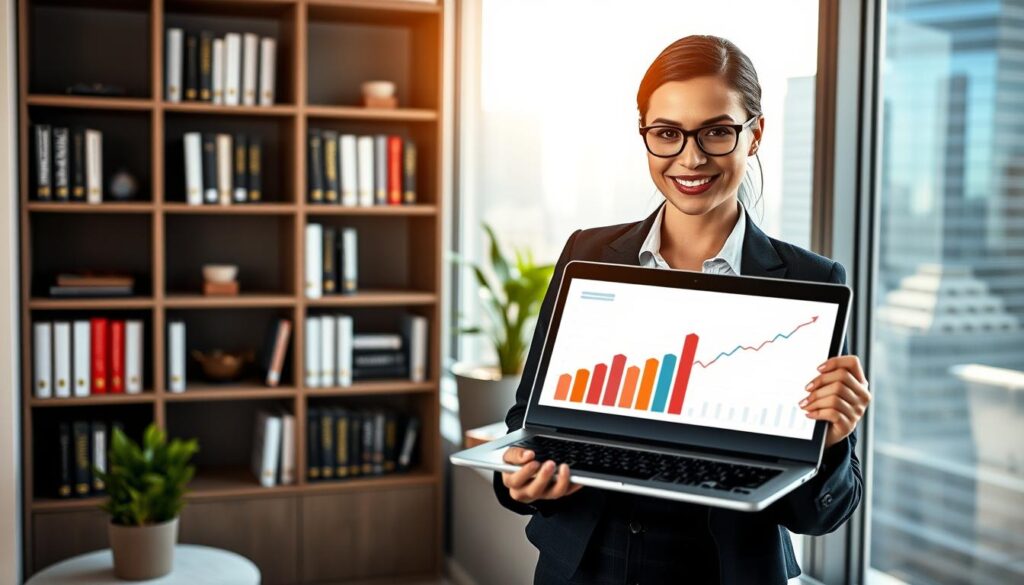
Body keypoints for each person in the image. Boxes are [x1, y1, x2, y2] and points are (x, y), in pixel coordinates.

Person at [492, 35, 871, 585]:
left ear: (755, 134)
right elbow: (530, 426)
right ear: (645, 136)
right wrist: (522, 484)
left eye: (717, 131)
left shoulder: (811, 281)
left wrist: (832, 441)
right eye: (667, 134)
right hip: (584, 568)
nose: (690, 158)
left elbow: (821, 514)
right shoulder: (587, 254)